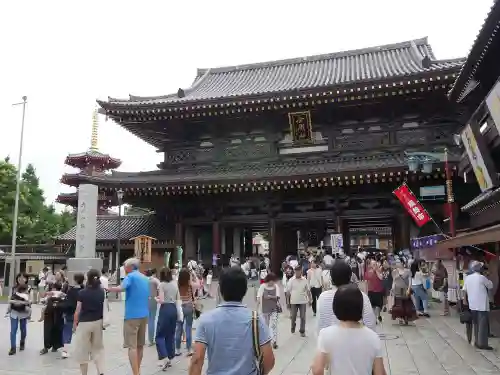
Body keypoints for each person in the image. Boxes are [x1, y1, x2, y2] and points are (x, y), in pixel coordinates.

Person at [188, 266, 275, 375]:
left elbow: (197, 359)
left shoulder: (206, 320)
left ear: (220, 289)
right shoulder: (256, 319)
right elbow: (269, 359)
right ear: (245, 290)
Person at [311, 285, 387, 375]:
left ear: (335, 308)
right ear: (361, 308)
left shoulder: (326, 334)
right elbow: (379, 372)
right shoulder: (373, 337)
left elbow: (317, 369)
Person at [107, 258, 150, 375]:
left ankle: (136, 373)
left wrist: (108, 288)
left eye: (125, 266)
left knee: (132, 346)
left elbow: (121, 288)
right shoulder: (145, 278)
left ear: (130, 267)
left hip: (132, 316)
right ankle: (137, 369)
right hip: (144, 314)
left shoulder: (130, 277)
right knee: (140, 345)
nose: (124, 268)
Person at [317, 261, 376, 333]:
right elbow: (370, 324)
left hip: (330, 340)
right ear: (350, 276)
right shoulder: (361, 296)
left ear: (331, 278)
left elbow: (320, 324)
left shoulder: (323, 297)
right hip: (356, 340)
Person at [72, 269, 105, 375]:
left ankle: (84, 373)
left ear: (88, 278)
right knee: (97, 349)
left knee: (83, 350)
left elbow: (77, 310)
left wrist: (74, 324)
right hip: (98, 322)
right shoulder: (101, 292)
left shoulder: (82, 293)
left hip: (84, 323)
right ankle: (101, 371)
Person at [155, 267, 183, 369]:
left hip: (165, 309)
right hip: (173, 309)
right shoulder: (174, 284)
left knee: (160, 335)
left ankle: (164, 357)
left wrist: (156, 299)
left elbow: (161, 300)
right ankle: (170, 357)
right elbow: (178, 299)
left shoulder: (161, 285)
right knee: (170, 334)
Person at [463, 261, 494, 350]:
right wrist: (487, 276)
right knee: (483, 325)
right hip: (482, 305)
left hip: (472, 304)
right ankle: (483, 344)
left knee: (476, 324)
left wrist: (465, 301)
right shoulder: (482, 278)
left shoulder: (468, 278)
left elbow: (464, 290)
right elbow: (490, 286)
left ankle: (477, 342)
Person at [61, 273, 85, 359]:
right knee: (82, 333)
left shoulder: (71, 290)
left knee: (67, 331)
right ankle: (83, 351)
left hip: (70, 313)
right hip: (82, 315)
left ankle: (65, 351)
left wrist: (64, 312)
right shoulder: (84, 290)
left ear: (75, 280)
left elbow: (67, 303)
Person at [8, 274, 32, 355]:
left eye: (23, 278)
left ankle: (22, 342)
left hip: (24, 311)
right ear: (17, 279)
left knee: (23, 329)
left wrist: (19, 302)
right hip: (14, 311)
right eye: (19, 277)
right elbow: (9, 299)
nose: (21, 279)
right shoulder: (13, 288)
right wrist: (9, 307)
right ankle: (13, 348)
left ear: (26, 279)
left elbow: (29, 301)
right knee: (13, 330)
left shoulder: (28, 288)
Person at [257, 273, 281, 349]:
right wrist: (257, 308)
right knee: (265, 326)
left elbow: (277, 297)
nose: (273, 283)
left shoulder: (276, 286)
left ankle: (274, 341)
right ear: (269, 280)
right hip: (264, 309)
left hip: (274, 308)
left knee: (274, 325)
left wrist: (268, 296)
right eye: (272, 281)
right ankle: (266, 341)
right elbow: (258, 298)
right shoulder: (262, 286)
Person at [285, 265, 311, 337]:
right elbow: (288, 292)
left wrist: (310, 299)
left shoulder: (304, 280)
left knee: (303, 316)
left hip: (302, 301)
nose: (298, 273)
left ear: (301, 271)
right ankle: (293, 326)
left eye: (299, 271)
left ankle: (302, 331)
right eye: (296, 271)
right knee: (293, 316)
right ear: (295, 271)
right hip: (293, 301)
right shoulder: (291, 280)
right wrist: (287, 302)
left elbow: (308, 290)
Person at [175, 268, 196, 356]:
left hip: (179, 307)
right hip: (189, 306)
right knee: (188, 328)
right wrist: (194, 275)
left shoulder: (177, 284)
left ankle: (177, 349)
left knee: (179, 328)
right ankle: (189, 349)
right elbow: (197, 286)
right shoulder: (190, 284)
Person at [391, 260, 417, 325]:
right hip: (397, 290)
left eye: (398, 262)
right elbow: (394, 281)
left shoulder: (407, 271)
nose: (397, 264)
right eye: (396, 262)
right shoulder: (394, 272)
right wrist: (392, 288)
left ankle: (406, 318)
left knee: (406, 305)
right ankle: (400, 318)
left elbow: (410, 281)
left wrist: (409, 289)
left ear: (402, 263)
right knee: (398, 305)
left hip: (405, 290)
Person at [147, 268, 160, 346]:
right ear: (154, 273)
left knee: (148, 320)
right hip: (153, 300)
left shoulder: (144, 280)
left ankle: (149, 339)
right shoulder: (155, 280)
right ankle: (151, 340)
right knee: (152, 319)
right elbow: (161, 287)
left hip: (145, 300)